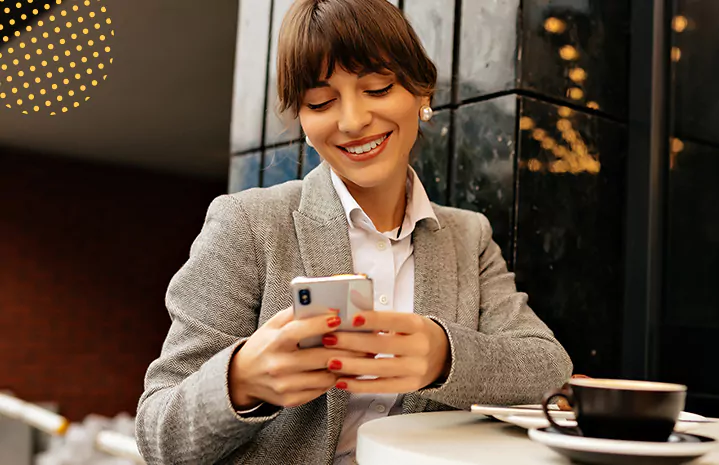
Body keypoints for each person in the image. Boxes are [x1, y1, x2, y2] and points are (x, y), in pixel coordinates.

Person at [134, 0, 573, 463]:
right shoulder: (249, 224)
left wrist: (444, 355)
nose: (351, 120)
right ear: (303, 120)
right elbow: (158, 436)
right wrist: (239, 381)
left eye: (378, 88)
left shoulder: (468, 237)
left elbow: (547, 368)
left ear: (422, 93)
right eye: (321, 102)